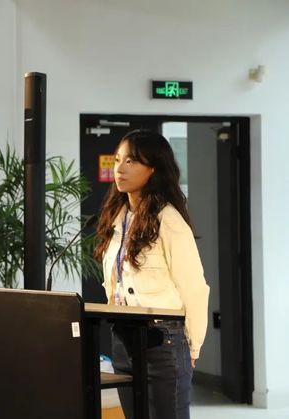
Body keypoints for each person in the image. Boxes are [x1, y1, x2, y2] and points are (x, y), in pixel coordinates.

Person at [94, 129, 210, 419]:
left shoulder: (168, 220)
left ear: (154, 168)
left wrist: (193, 346)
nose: (120, 169)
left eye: (131, 161)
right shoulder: (118, 219)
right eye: (118, 160)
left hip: (162, 340)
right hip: (123, 338)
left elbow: (195, 288)